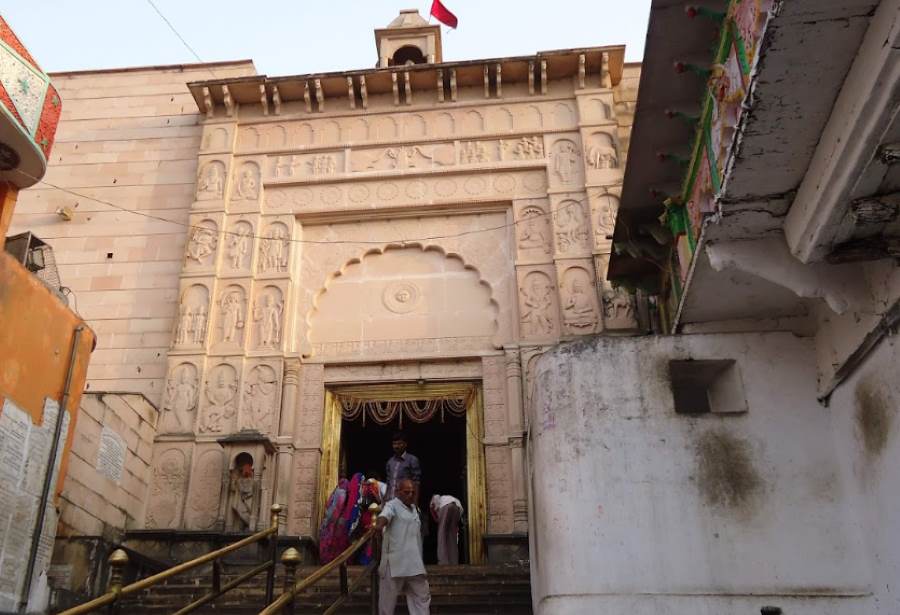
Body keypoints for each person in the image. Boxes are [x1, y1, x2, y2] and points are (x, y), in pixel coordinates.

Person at [375, 479, 431, 615]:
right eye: (407, 492)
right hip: (395, 564)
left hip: (415, 565)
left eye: (413, 492)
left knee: (422, 599)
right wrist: (379, 525)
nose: (410, 495)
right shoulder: (392, 505)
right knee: (386, 604)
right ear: (397, 492)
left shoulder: (415, 509)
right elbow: (384, 516)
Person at [385, 432, 421, 502]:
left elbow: (416, 483)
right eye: (394, 444)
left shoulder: (412, 460)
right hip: (390, 500)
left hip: (404, 501)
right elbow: (388, 483)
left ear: (405, 444)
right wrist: (384, 500)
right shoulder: (390, 461)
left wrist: (415, 502)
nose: (396, 446)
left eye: (399, 443)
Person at [429, 494, 463, 565]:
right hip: (457, 507)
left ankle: (443, 562)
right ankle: (454, 561)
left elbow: (435, 499)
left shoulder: (433, 503)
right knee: (452, 537)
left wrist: (436, 517)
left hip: (446, 506)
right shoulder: (448, 498)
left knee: (442, 536)